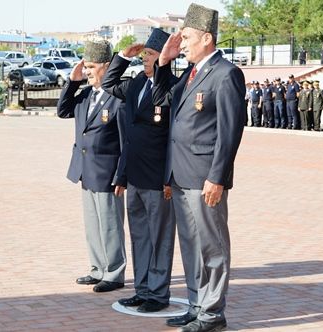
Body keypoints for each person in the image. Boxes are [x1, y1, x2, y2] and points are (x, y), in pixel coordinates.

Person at [152, 3, 246, 331]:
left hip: (205, 178)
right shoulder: (190, 74)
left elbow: (230, 131)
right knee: (192, 247)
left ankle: (212, 315)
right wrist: (164, 61)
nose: (184, 43)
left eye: (188, 37)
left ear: (207, 38)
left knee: (213, 247)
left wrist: (217, 177)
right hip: (181, 175)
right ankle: (196, 305)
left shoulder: (226, 73)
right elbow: (161, 98)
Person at [102, 28, 176, 313]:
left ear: (166, 57)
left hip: (158, 178)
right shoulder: (134, 85)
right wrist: (122, 57)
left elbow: (172, 138)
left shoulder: (172, 87)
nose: (146, 59)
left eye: (151, 55)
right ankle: (143, 289)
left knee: (160, 238)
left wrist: (169, 177)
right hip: (133, 176)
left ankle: (158, 294)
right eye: (144, 55)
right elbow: (108, 83)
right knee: (140, 235)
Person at [57, 40, 127, 293]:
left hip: (108, 172)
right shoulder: (85, 95)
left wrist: (122, 175)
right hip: (85, 169)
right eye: (85, 66)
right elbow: (63, 111)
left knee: (110, 224)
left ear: (106, 67)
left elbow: (124, 139)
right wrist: (73, 82)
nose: (87, 71)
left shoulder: (117, 97)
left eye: (91, 66)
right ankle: (98, 268)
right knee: (93, 223)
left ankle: (115, 273)